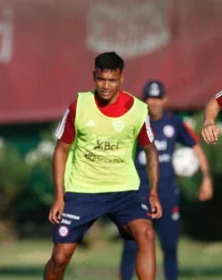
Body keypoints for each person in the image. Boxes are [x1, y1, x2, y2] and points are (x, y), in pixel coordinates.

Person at [43, 52, 162, 280]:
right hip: (82, 190)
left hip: (124, 190)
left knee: (146, 233)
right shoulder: (79, 106)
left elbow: (151, 150)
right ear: (94, 76)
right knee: (60, 258)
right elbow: (61, 151)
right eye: (101, 79)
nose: (106, 86)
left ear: (121, 78)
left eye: (112, 80)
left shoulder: (137, 110)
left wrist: (153, 192)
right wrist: (59, 196)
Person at [120, 80, 213, 280]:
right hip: (139, 193)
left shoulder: (175, 123)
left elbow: (196, 147)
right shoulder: (135, 123)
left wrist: (206, 178)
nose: (154, 103)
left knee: (169, 246)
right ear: (144, 101)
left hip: (167, 194)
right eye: (149, 98)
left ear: (165, 100)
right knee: (131, 244)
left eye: (157, 98)